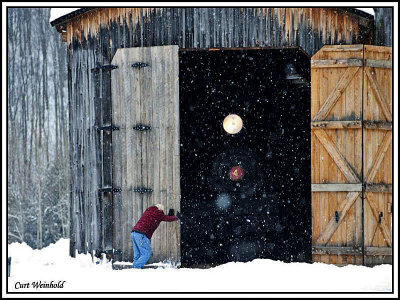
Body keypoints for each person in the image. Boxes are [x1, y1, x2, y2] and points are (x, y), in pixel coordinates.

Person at [131, 204, 180, 269]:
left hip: (134, 233)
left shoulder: (149, 210)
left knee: (137, 254)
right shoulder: (157, 212)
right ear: (160, 210)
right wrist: (176, 217)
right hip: (142, 234)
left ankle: (134, 269)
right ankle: (136, 268)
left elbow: (160, 217)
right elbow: (165, 218)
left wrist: (167, 216)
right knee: (146, 254)